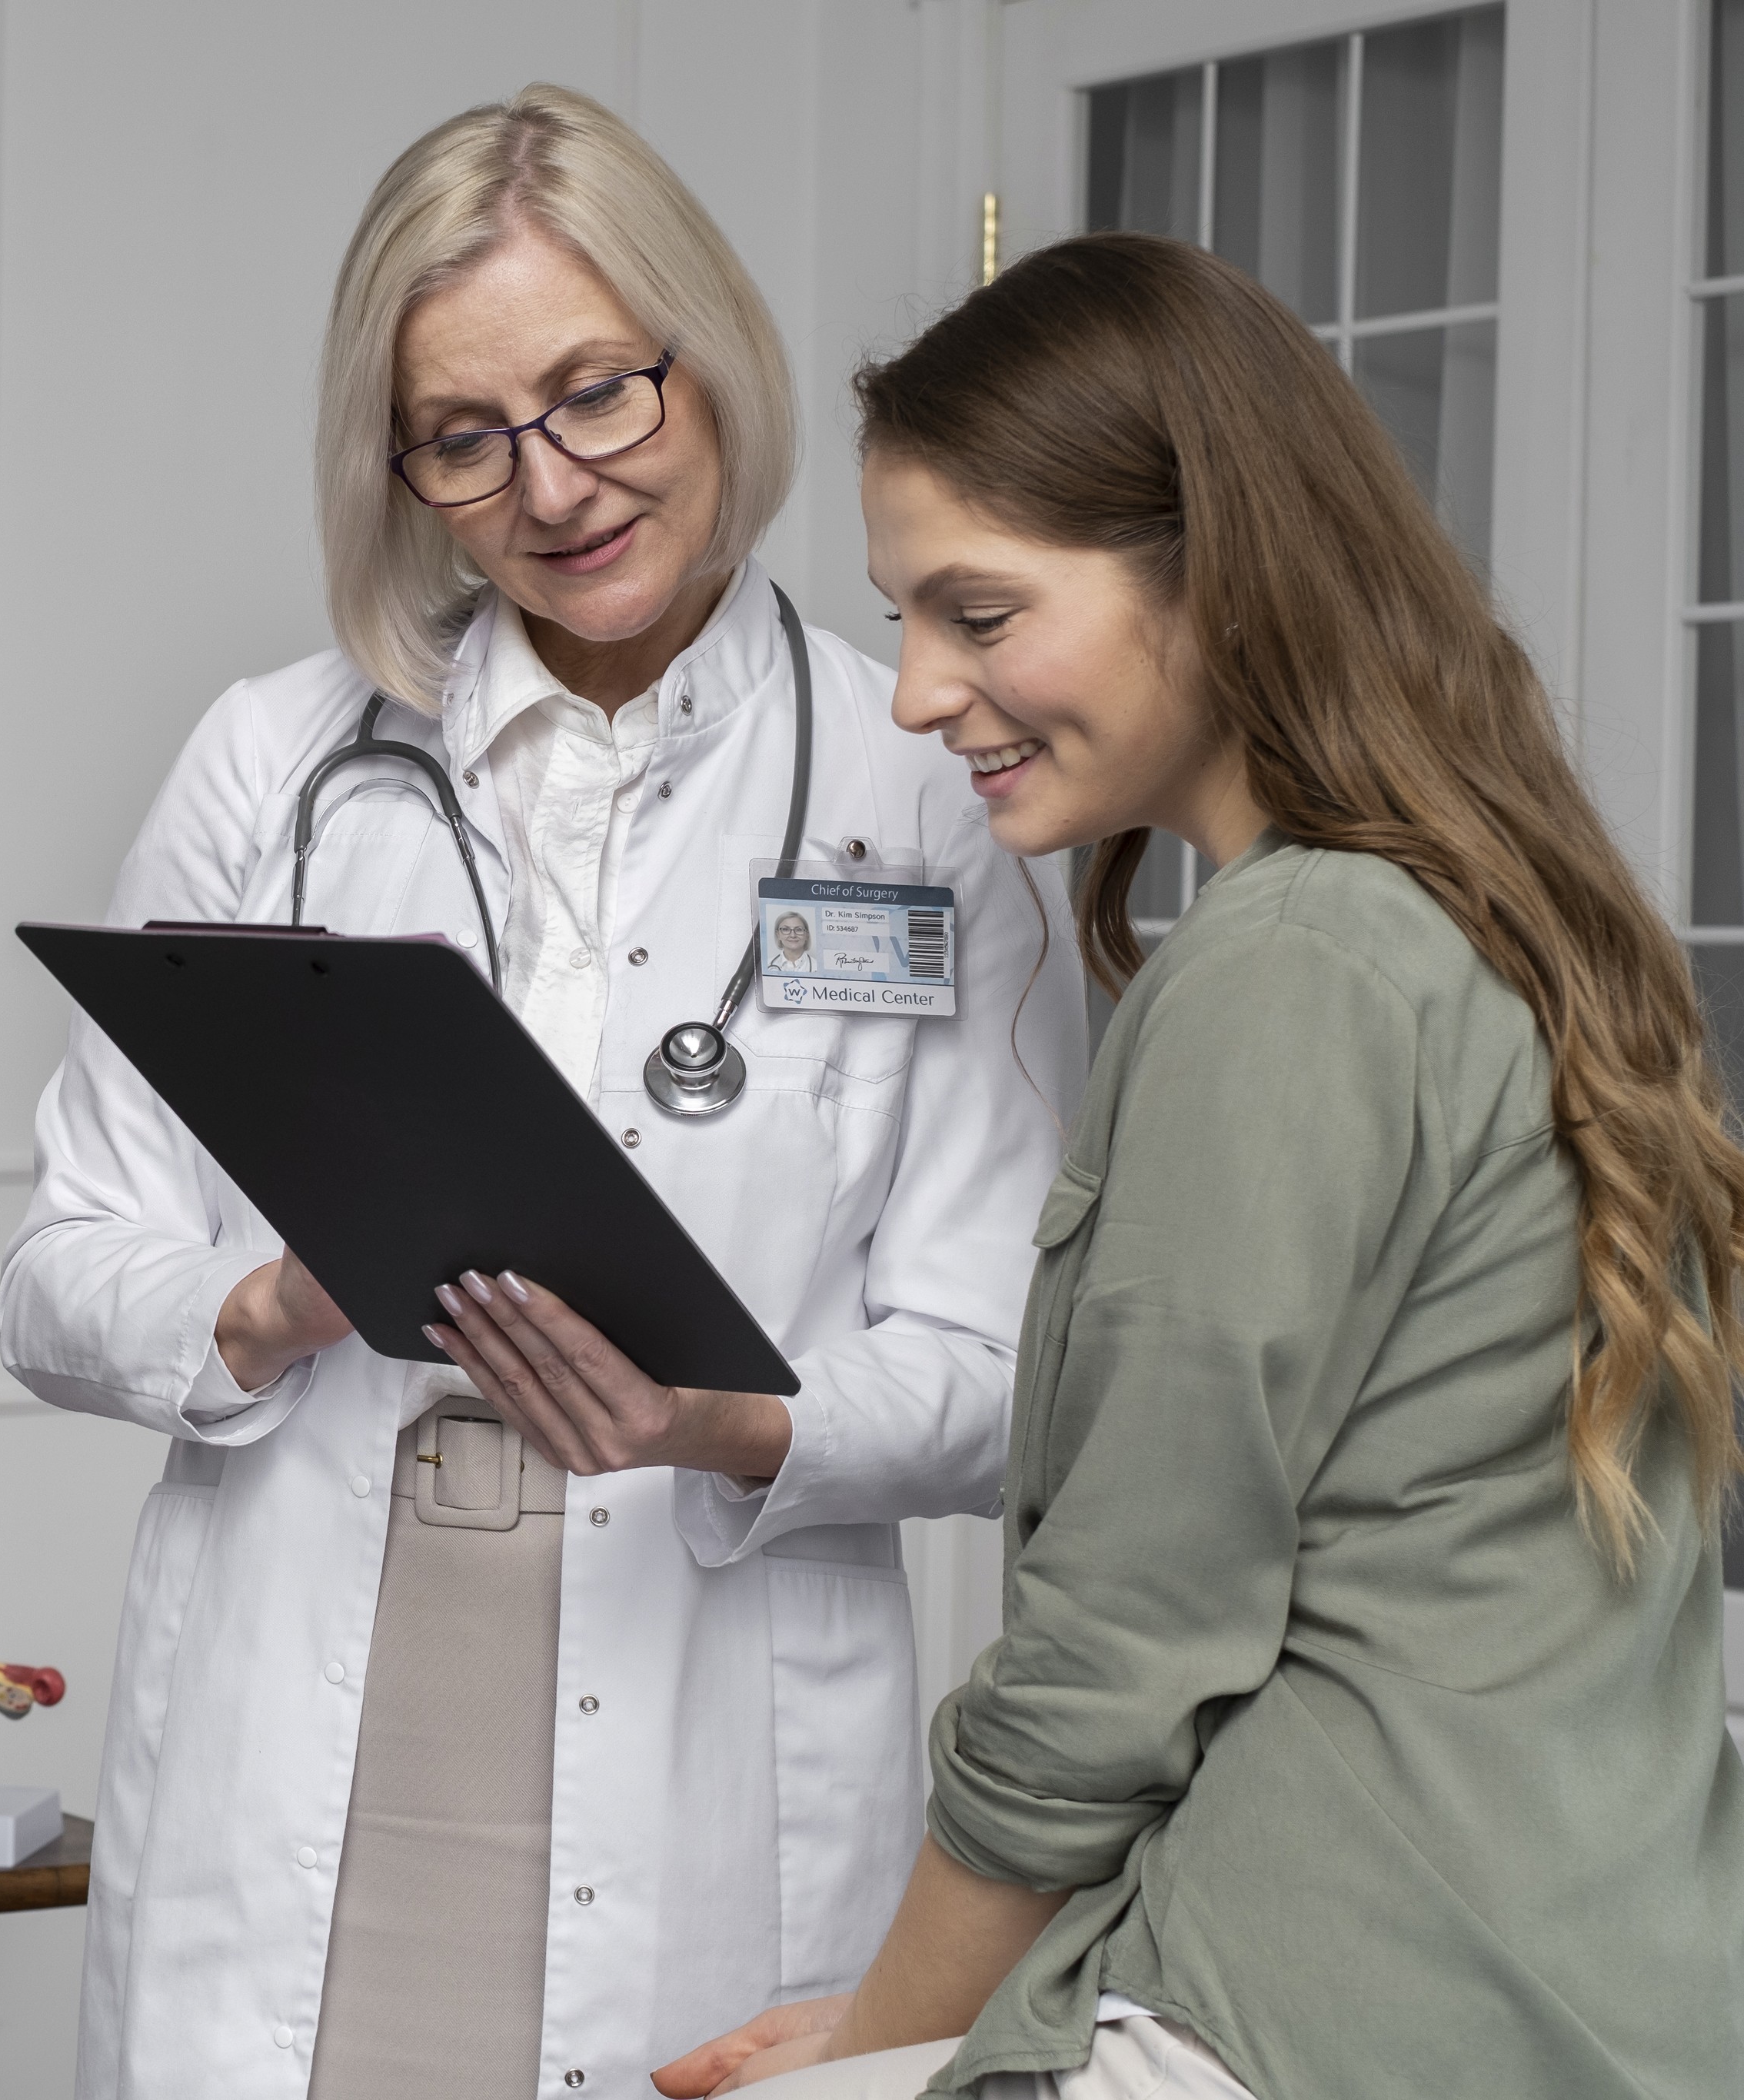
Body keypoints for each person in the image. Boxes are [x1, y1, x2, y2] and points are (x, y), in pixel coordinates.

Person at [0, 85, 1086, 2100]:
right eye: (466, 434)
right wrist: (257, 1301)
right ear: (400, 462)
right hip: (311, 1700)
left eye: (600, 392)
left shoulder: (926, 786)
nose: (552, 482)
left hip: (705, 1711)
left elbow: (1012, 1365)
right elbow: (58, 1272)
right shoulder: (271, 764)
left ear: (711, 357)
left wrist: (727, 1416)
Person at [645, 233, 1744, 2100]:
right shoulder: (1472, 913)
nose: (916, 693)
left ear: (1218, 576)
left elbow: (1113, 1658)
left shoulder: (1290, 968)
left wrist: (897, 2038)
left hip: (1313, 2002)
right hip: (1573, 1987)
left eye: (977, 617)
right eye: (902, 617)